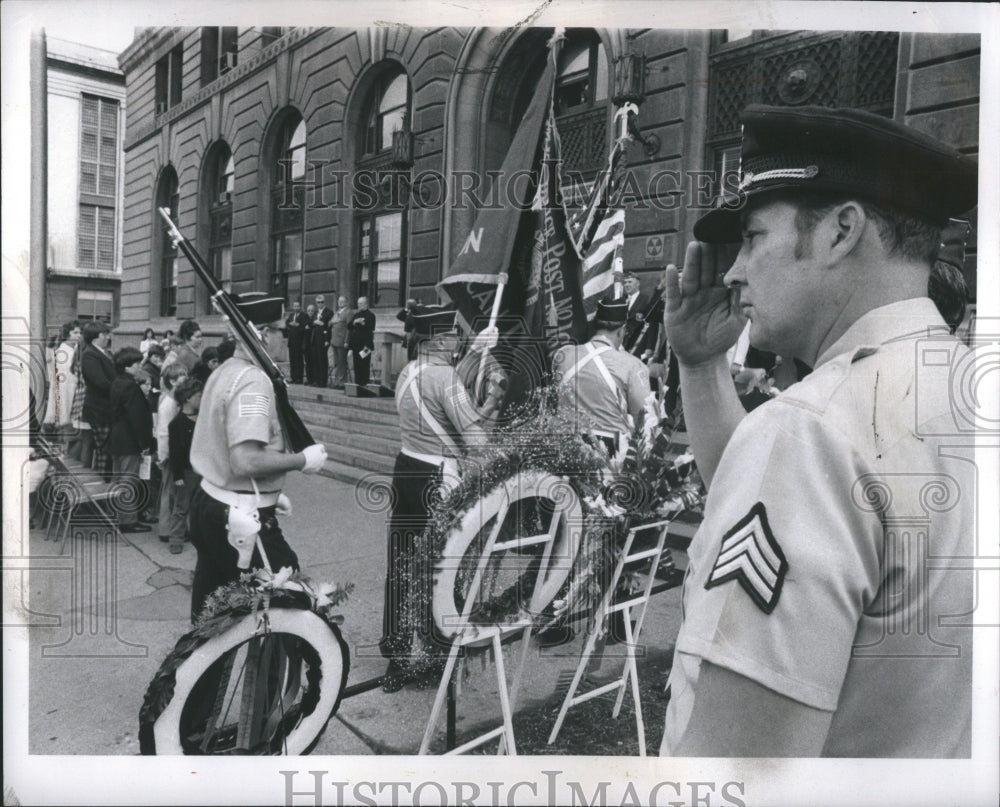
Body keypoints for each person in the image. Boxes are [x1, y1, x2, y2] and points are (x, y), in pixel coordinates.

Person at [659, 104, 977, 758]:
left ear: (840, 232)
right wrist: (701, 363)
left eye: (753, 237)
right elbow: (786, 520)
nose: (731, 271)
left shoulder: (809, 429)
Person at [380, 305, 503, 691]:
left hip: (407, 469)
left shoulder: (408, 370)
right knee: (441, 566)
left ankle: (396, 656)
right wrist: (490, 409)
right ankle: (439, 652)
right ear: (437, 340)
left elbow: (438, 400)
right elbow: (473, 436)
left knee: (401, 563)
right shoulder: (445, 376)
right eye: (452, 335)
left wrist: (474, 356)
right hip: (438, 476)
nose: (457, 339)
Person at [188, 291, 328, 622]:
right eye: (281, 329)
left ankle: (201, 675)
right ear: (263, 333)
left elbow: (223, 449)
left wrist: (268, 494)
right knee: (294, 603)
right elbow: (246, 461)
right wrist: (302, 460)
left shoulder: (226, 369)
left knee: (212, 618)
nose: (286, 336)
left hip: (214, 502)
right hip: (240, 517)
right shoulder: (253, 381)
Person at [552, 296, 651, 461]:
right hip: (608, 455)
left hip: (563, 449)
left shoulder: (563, 355)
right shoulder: (633, 365)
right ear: (622, 330)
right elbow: (645, 419)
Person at [109, 347, 154, 533]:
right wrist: (145, 443)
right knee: (129, 479)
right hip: (129, 440)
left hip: (117, 437)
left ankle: (117, 515)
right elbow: (138, 418)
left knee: (118, 478)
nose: (138, 367)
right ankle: (128, 520)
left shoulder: (117, 382)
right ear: (128, 367)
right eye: (136, 364)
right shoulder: (131, 387)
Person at [167, 377, 203, 555]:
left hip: (204, 469)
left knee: (202, 506)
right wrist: (178, 475)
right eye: (198, 395)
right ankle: (176, 539)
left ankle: (201, 536)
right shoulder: (177, 424)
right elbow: (175, 452)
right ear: (188, 398)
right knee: (181, 507)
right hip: (187, 472)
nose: (201, 397)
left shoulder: (203, 419)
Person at [155, 362, 188, 544]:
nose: (186, 379)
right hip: (168, 453)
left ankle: (171, 527)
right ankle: (166, 528)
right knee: (169, 490)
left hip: (173, 452)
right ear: (173, 381)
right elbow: (163, 431)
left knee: (174, 490)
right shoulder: (168, 403)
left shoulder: (174, 400)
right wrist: (164, 455)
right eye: (182, 376)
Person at [80, 320, 116, 476]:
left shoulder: (100, 352)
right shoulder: (90, 354)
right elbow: (100, 382)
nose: (108, 337)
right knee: (104, 450)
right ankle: (101, 484)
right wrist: (120, 389)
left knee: (106, 449)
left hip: (104, 409)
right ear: (97, 336)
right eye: (105, 334)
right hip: (99, 410)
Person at [43, 320, 82, 444]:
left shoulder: (75, 349)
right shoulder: (62, 353)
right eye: (75, 332)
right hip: (66, 392)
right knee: (65, 425)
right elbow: (63, 381)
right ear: (67, 334)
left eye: (80, 332)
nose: (78, 335)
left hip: (74, 392)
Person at [348, 296, 376, 387]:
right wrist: (354, 322)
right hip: (356, 344)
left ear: (365, 304)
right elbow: (348, 326)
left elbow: (371, 329)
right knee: (357, 365)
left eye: (360, 303)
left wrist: (363, 323)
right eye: (358, 303)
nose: (359, 305)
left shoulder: (371, 315)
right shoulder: (356, 315)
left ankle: (364, 384)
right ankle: (358, 384)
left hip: (366, 345)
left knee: (364, 364)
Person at [621, 272, 651, 353]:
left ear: (638, 284)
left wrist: (649, 347)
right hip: (621, 343)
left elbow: (650, 325)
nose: (626, 285)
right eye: (625, 282)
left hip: (637, 343)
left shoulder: (646, 300)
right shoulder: (620, 300)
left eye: (630, 282)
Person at [329, 295, 354, 389]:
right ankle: (336, 381)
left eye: (343, 301)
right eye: (339, 301)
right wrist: (333, 321)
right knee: (336, 362)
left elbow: (349, 328)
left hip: (342, 340)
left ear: (346, 302)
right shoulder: (336, 312)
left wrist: (347, 340)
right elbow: (329, 323)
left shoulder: (349, 312)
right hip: (334, 340)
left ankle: (342, 382)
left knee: (342, 362)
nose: (340, 303)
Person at [311, 294, 334, 387]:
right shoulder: (316, 312)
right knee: (315, 359)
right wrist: (314, 322)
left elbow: (329, 327)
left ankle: (323, 381)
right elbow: (311, 322)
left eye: (322, 302)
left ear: (324, 302)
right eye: (318, 302)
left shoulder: (329, 312)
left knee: (322, 360)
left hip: (323, 339)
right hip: (315, 338)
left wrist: (327, 339)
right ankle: (317, 380)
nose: (320, 304)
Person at [284, 300, 310, 384]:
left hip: (299, 341)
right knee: (292, 360)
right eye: (294, 306)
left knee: (299, 360)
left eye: (297, 306)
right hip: (292, 341)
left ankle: (299, 378)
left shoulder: (304, 316)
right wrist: (290, 324)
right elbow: (287, 323)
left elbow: (305, 328)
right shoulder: (291, 315)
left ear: (300, 307)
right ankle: (293, 377)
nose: (296, 308)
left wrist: (298, 325)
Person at [141, 343, 165, 412]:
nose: (158, 359)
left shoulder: (156, 367)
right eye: (156, 356)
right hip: (152, 401)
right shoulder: (147, 368)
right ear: (150, 356)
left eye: (161, 357)